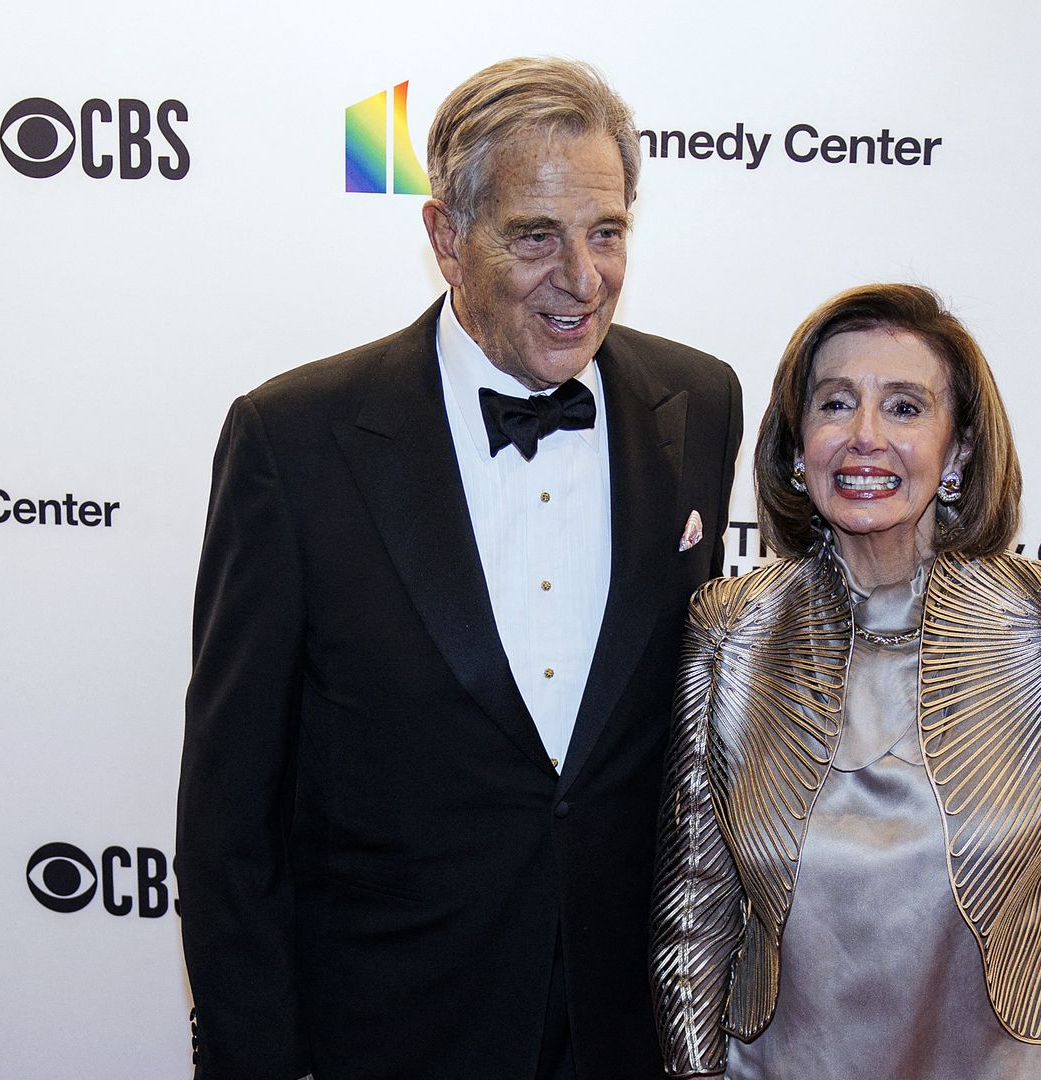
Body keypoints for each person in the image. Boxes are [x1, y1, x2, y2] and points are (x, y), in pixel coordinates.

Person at [177, 57, 742, 1080]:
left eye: (606, 232)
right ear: (445, 237)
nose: (583, 278)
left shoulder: (698, 402)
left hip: (626, 1027)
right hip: (391, 1023)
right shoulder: (295, 440)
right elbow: (230, 810)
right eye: (535, 236)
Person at [650, 283, 1041, 1079]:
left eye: (904, 408)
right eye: (835, 404)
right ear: (796, 445)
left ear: (958, 451)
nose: (865, 437)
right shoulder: (732, 632)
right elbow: (692, 919)